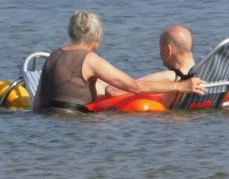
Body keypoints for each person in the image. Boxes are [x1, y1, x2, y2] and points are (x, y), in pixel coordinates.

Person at [32, 10, 205, 113]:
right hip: (75, 122)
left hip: (47, 121)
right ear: (98, 36)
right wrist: (181, 86)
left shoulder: (53, 55)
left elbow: (38, 101)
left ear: (71, 33)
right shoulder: (91, 60)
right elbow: (133, 87)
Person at [102, 24, 199, 109]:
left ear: (168, 50)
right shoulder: (205, 73)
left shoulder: (170, 77)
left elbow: (113, 91)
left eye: (160, 48)